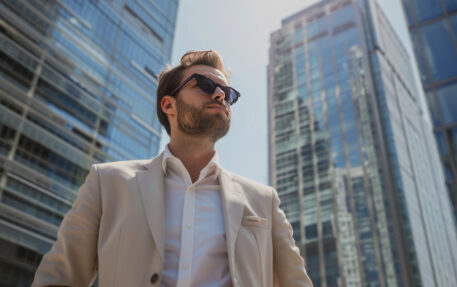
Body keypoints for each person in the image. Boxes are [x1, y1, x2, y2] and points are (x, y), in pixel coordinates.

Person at [32, 50, 312, 287]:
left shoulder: (264, 201)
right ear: (169, 104)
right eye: (203, 84)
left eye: (227, 92)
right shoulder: (107, 182)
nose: (219, 95)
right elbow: (59, 277)